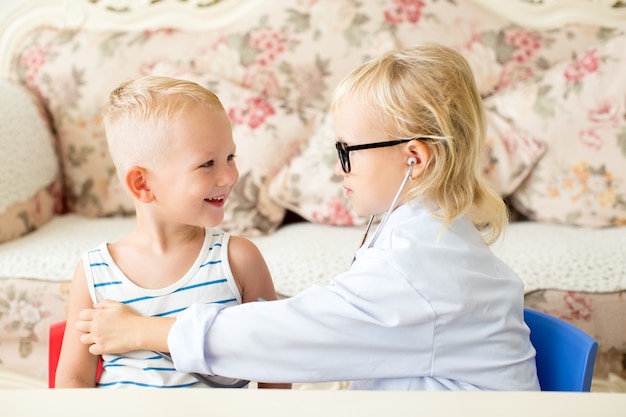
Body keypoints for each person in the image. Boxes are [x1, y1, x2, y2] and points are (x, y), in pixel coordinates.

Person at [76, 43, 540, 391]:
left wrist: (147, 330)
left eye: (347, 150)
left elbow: (290, 334)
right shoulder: (424, 235)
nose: (339, 167)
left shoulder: (421, 264)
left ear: (414, 158)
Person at [56, 76, 289, 389]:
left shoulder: (239, 260)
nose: (229, 176)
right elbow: (73, 379)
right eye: (207, 163)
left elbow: (272, 362)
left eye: (230, 157)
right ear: (142, 184)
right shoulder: (94, 272)